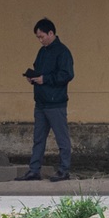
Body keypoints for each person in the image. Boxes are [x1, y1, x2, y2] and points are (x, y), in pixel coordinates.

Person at [19, 18, 74, 182]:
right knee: (38, 139)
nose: (40, 40)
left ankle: (64, 170)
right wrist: (33, 78)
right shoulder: (42, 52)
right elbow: (38, 70)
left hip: (55, 102)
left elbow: (67, 75)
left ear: (51, 33)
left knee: (62, 138)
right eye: (38, 37)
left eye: (42, 36)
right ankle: (34, 170)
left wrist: (45, 79)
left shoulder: (63, 52)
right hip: (41, 102)